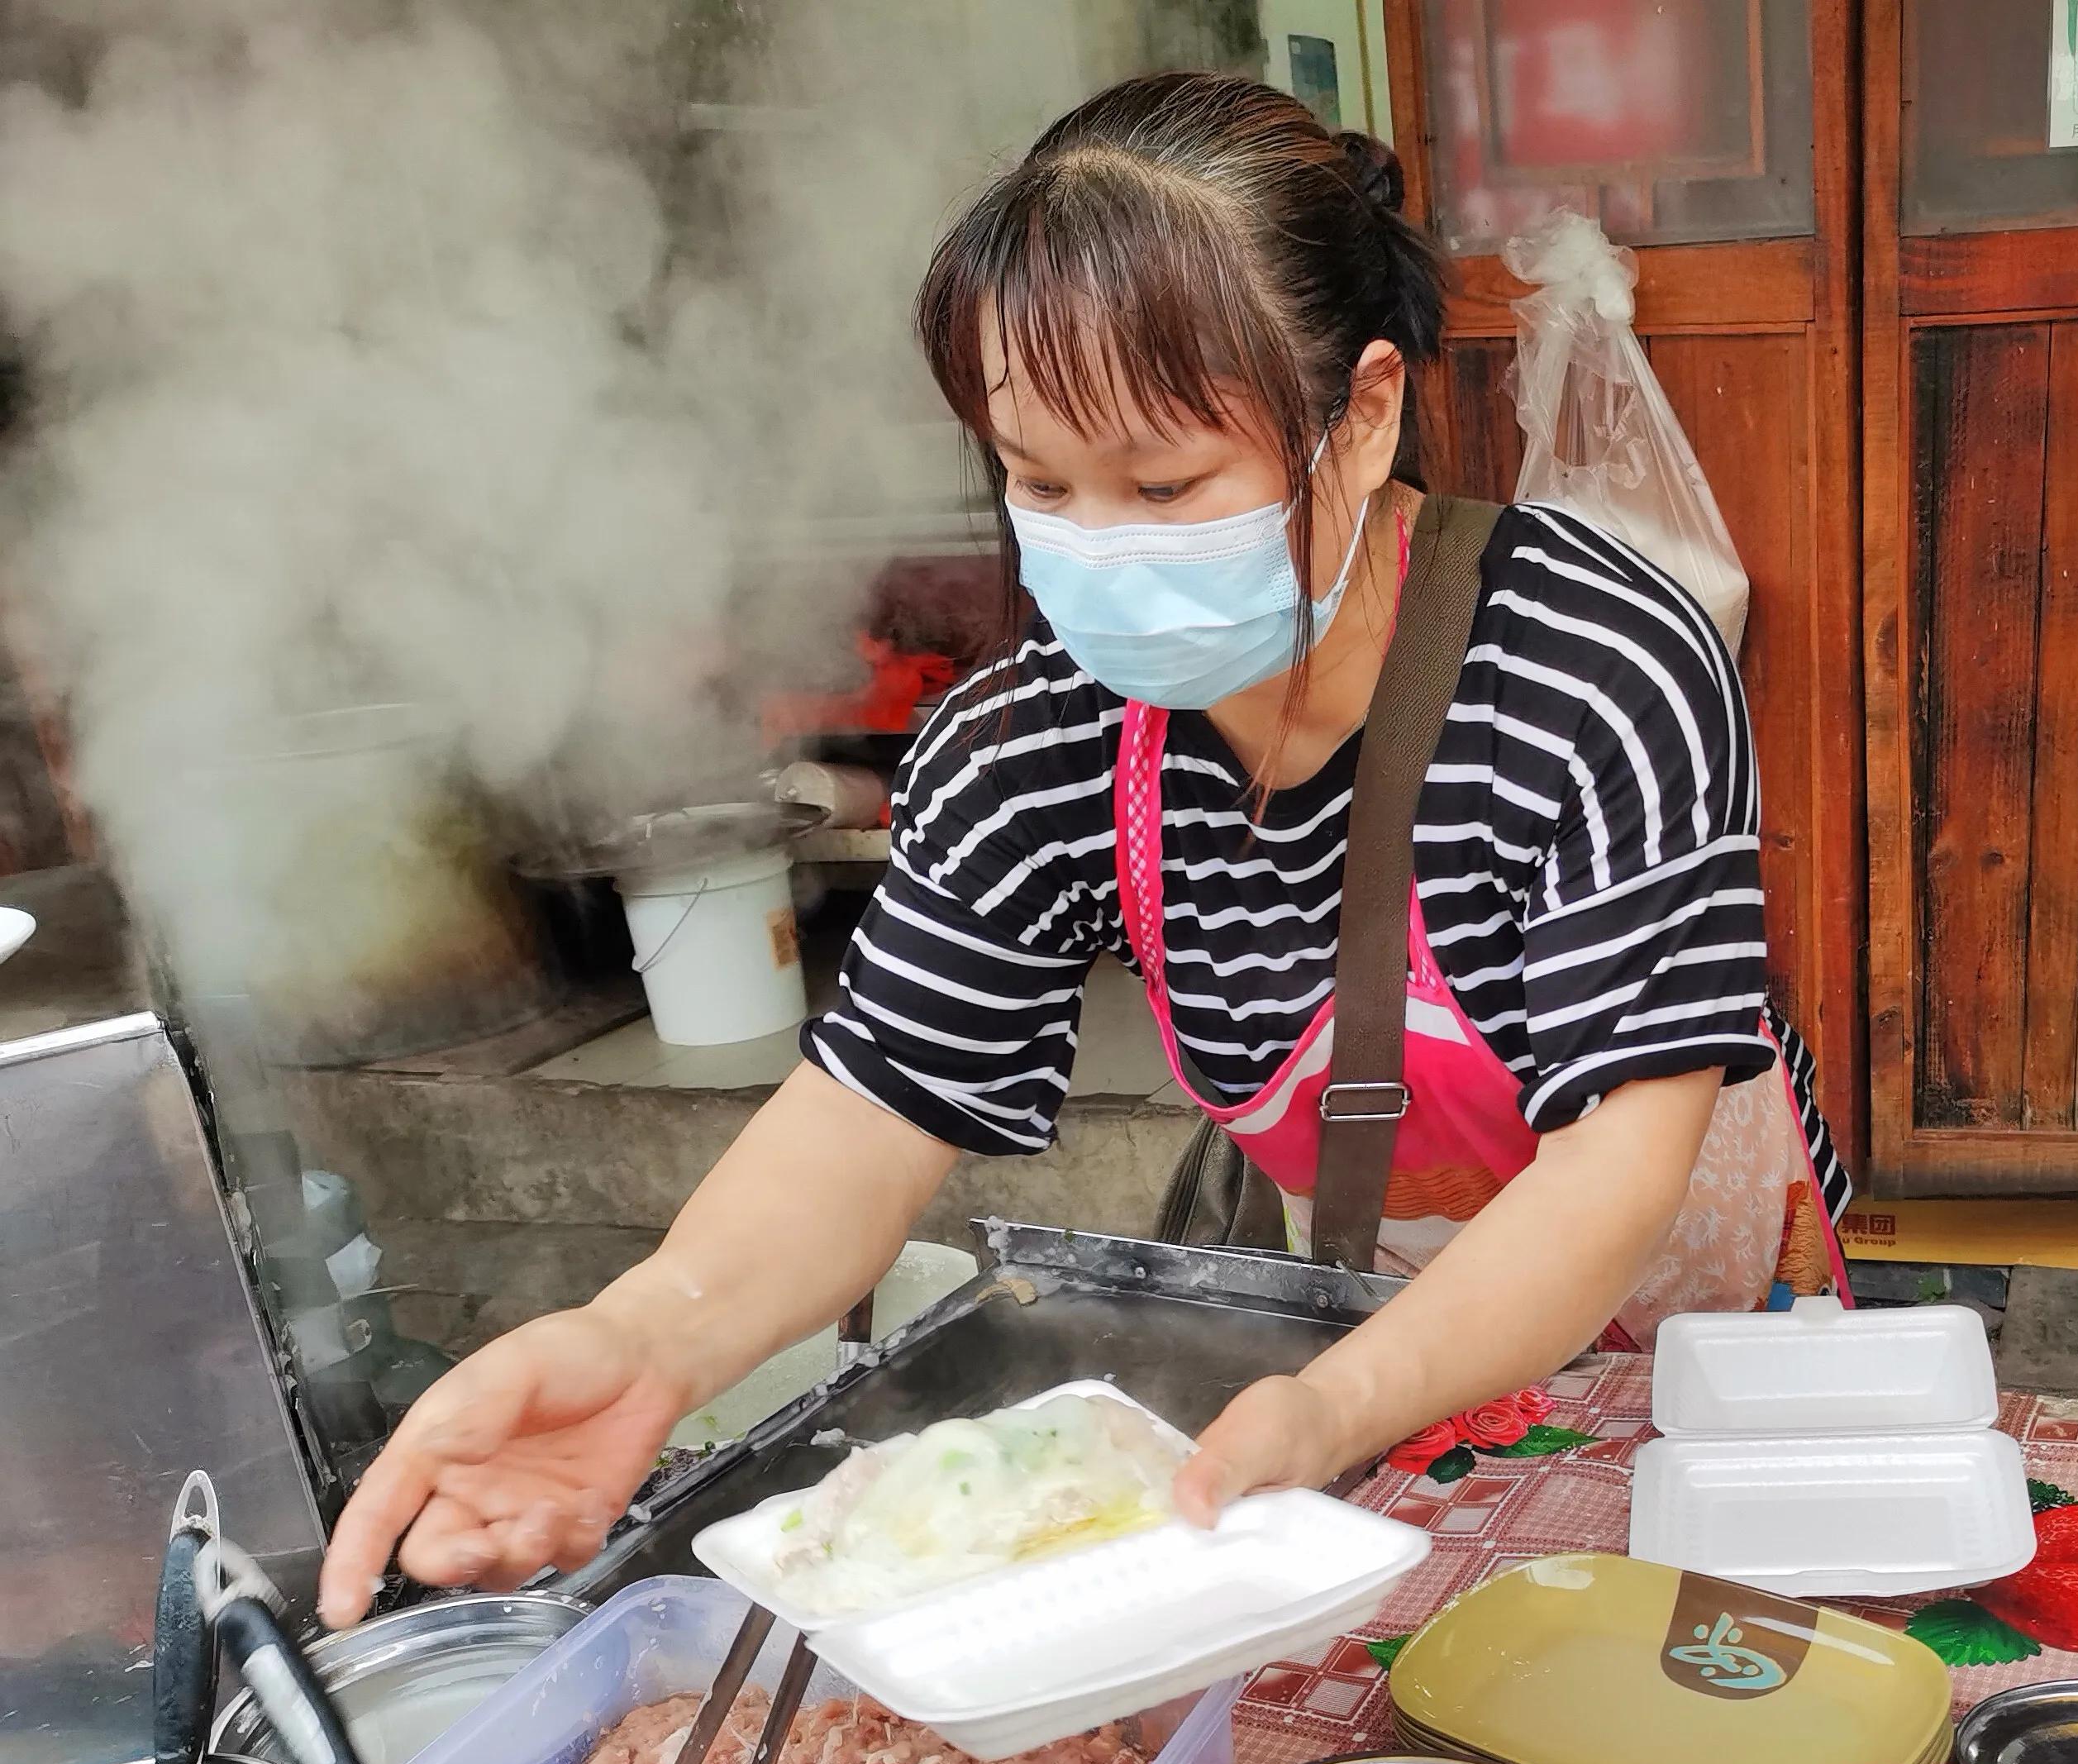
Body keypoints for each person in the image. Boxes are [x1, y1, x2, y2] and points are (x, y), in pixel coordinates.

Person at [318, 73, 1846, 1625]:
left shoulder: (1593, 666)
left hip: (1687, 1330)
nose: (1098, 545)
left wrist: (1337, 1402)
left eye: (1163, 484)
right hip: (1379, 1332)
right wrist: (648, 1338)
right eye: (1040, 483)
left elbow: (1613, 1165)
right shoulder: (1037, 745)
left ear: (1365, 411)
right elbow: (870, 1108)